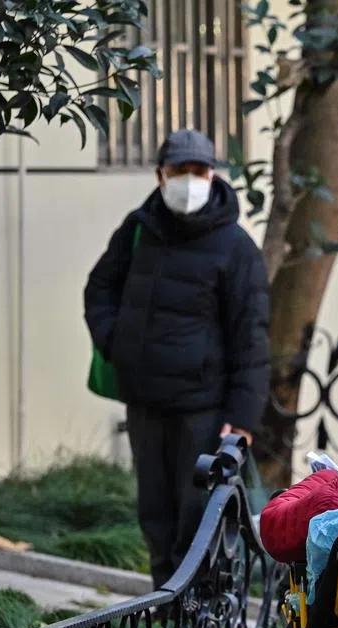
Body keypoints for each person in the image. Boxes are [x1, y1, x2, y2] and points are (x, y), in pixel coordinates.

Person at [84, 128, 270, 589]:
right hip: (145, 400)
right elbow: (100, 288)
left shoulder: (236, 247)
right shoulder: (138, 229)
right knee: (155, 513)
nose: (189, 180)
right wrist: (119, 344)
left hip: (202, 408)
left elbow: (252, 336)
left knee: (198, 517)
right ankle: (162, 606)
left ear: (212, 175)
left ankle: (200, 615)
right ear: (159, 175)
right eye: (179, 171)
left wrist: (242, 418)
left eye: (198, 171)